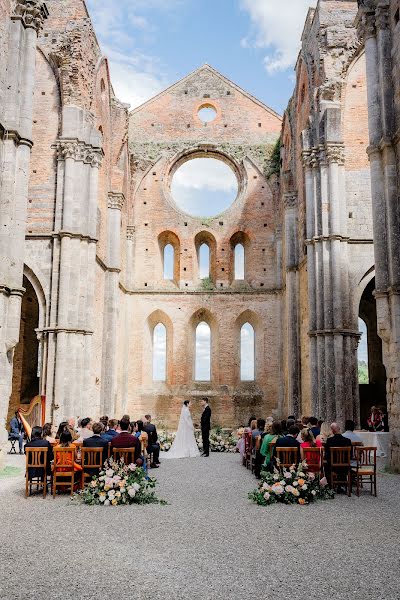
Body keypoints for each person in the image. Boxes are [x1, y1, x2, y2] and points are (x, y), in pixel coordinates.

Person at [325, 423, 352, 491]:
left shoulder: (329, 440)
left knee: (325, 465)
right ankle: (343, 484)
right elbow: (351, 455)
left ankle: (330, 485)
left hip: (333, 466)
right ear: (339, 429)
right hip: (345, 466)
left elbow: (327, 454)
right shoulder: (347, 440)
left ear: (332, 431)